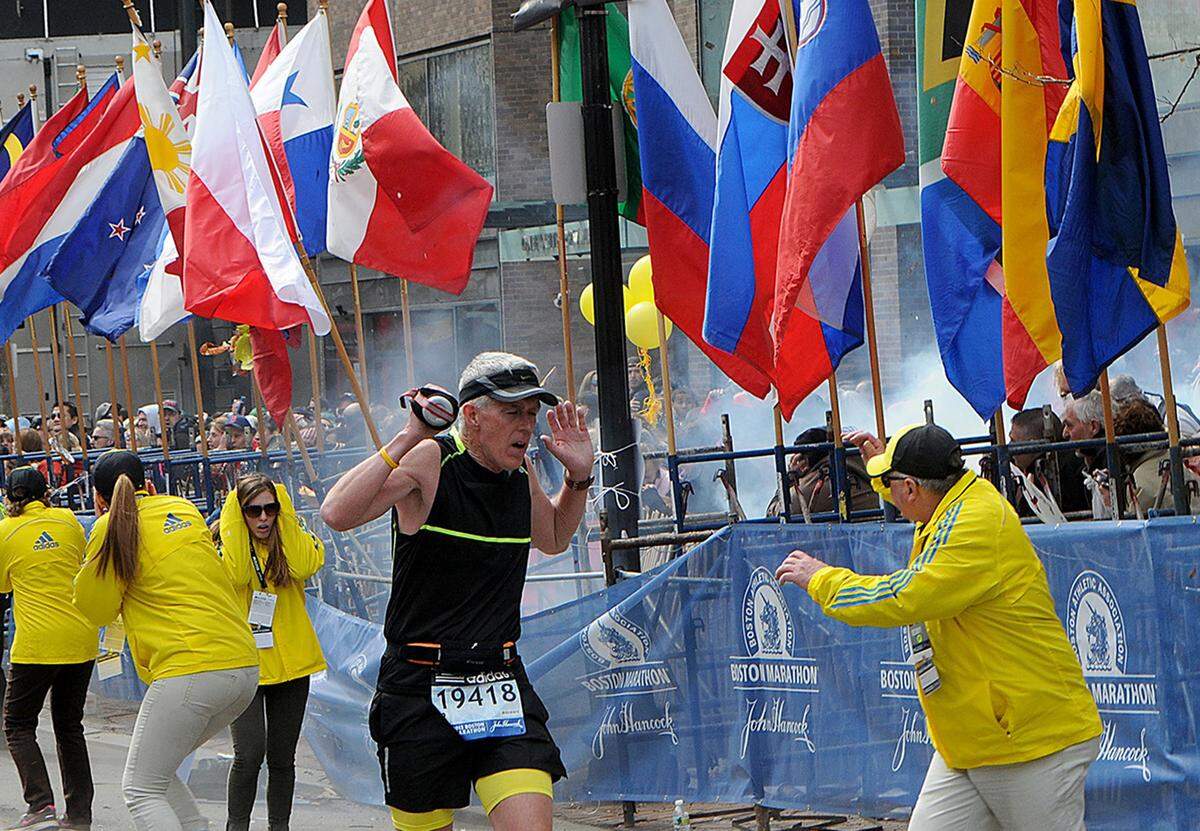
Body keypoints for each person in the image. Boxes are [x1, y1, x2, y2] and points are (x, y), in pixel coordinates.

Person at [776, 424, 1102, 831]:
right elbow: (910, 493)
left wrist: (822, 579)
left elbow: (905, 596)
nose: (887, 492)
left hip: (1032, 741)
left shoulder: (973, 524)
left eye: (890, 483)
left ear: (910, 488)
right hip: (973, 738)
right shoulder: (954, 494)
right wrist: (881, 466)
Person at [321, 352, 594, 831]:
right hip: (420, 683)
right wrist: (409, 436)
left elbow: (552, 536)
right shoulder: (432, 459)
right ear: (471, 415)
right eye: (512, 412)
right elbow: (337, 513)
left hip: (498, 679)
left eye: (532, 414)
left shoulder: (521, 473)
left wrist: (577, 479)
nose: (526, 426)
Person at [73, 451, 259, 831]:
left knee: (140, 789)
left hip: (190, 669)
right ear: (149, 484)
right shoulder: (184, 510)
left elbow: (96, 609)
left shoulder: (108, 527)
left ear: (99, 498)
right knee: (158, 773)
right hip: (243, 667)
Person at [219, 474, 326, 831]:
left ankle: (279, 826)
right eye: (253, 511)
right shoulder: (226, 543)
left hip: (293, 666)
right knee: (248, 756)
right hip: (246, 665)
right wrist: (233, 517)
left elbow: (304, 565)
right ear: (240, 513)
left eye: (270, 509)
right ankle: (237, 827)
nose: (263, 518)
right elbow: (233, 574)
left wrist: (284, 503)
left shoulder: (290, 541)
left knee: (283, 759)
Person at [0, 467, 99, 831]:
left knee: (17, 724)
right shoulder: (69, 521)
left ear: (11, 498)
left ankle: (40, 803)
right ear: (47, 494)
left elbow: (2, 587)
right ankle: (79, 815)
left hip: (36, 644)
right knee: (69, 726)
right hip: (81, 638)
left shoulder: (5, 532)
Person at [1008, 409, 1089, 517]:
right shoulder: (1036, 470)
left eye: (1013, 441)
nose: (1009, 447)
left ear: (1033, 445)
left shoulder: (1068, 470)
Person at [1061, 391, 1110, 518]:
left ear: (1093, 427)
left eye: (1069, 426)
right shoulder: (1091, 461)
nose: (1065, 434)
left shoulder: (1113, 462)